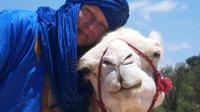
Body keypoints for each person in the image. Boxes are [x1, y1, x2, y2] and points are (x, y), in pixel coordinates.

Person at [0, 0, 129, 112]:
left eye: (101, 25)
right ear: (73, 6)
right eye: (88, 12)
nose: (90, 26)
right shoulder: (18, 25)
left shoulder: (86, 74)